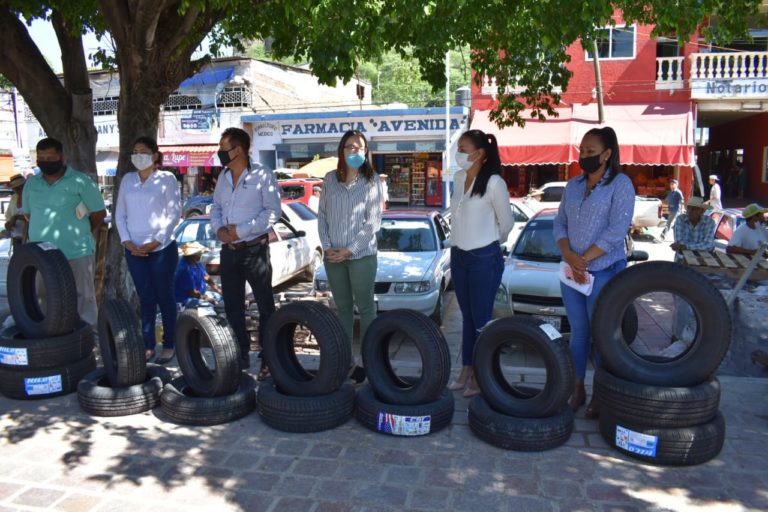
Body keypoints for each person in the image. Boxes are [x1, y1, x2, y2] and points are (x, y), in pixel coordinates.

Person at [554, 127, 635, 418]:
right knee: (578, 333)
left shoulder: (621, 184)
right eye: (581, 151)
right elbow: (559, 223)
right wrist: (569, 255)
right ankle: (578, 388)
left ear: (607, 154)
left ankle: (602, 393)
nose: (583, 156)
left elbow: (617, 230)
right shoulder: (573, 186)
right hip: (572, 273)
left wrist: (583, 260)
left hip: (603, 272)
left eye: (590, 152)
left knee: (601, 335)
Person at [446, 129, 515, 398]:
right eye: (458, 148)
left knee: (482, 321)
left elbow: (507, 223)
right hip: (459, 256)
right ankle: (466, 369)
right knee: (467, 317)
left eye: (463, 149)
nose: (459, 153)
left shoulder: (495, 183)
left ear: (480, 154)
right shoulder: (458, 177)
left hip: (484, 258)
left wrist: (486, 242)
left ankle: (481, 374)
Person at [210, 127, 281, 375]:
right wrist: (220, 230)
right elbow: (216, 207)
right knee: (233, 306)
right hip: (228, 251)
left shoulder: (263, 175)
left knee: (264, 307)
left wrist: (241, 230)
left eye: (223, 149)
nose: (220, 153)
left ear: (238, 150)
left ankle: (269, 358)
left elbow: (272, 212)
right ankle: (239, 355)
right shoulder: (223, 177)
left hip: (254, 250)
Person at [317, 130, 383, 383]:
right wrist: (327, 246)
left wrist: (350, 249)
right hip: (333, 256)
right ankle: (345, 361)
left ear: (366, 152)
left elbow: (373, 222)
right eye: (350, 147)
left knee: (365, 308)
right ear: (341, 150)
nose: (355, 152)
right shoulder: (330, 179)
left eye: (360, 148)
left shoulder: (372, 180)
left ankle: (370, 361)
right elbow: (322, 215)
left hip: (362, 255)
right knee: (342, 308)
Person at [22, 137, 107, 329]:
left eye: (50, 157)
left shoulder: (81, 181)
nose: (46, 161)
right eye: (42, 157)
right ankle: (50, 341)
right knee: (43, 296)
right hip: (41, 255)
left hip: (77, 251)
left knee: (83, 297)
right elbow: (28, 215)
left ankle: (87, 338)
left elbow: (99, 213)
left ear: (62, 158)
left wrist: (81, 231)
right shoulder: (31, 184)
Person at [115, 136, 182, 363]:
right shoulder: (127, 179)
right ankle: (148, 344)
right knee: (145, 297)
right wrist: (126, 241)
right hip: (133, 249)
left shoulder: (167, 179)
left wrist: (156, 241)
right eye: (134, 151)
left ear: (154, 155)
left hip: (161, 248)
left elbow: (174, 214)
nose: (137, 155)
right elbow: (120, 214)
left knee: (165, 295)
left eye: (142, 151)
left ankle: (170, 343)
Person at [670, 197, 716, 346]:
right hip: (682, 266)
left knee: (700, 302)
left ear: (702, 211)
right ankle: (676, 336)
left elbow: (709, 245)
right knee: (681, 303)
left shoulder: (709, 222)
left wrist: (686, 247)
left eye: (694, 209)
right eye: (689, 208)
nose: (690, 211)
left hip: (703, 266)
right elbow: (679, 242)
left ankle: (696, 337)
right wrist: (691, 246)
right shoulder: (680, 220)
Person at [174, 241, 223, 307]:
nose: (200, 255)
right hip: (185, 299)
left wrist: (219, 290)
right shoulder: (184, 268)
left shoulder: (197, 263)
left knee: (220, 298)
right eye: (198, 253)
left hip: (200, 294)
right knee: (210, 305)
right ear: (192, 255)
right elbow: (192, 292)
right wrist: (207, 299)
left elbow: (207, 278)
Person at [4, 174, 27, 246]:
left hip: (28, 239)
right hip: (16, 239)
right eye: (15, 188)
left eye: (21, 187)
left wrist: (17, 217)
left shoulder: (31, 197)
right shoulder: (14, 197)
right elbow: (8, 218)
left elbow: (34, 217)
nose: (18, 190)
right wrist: (9, 223)